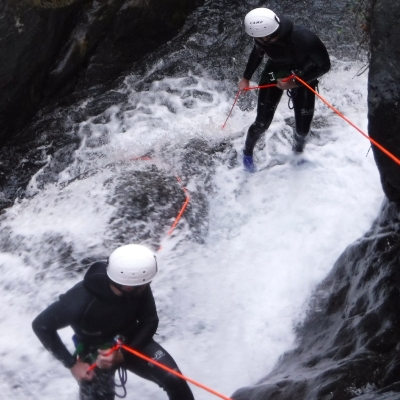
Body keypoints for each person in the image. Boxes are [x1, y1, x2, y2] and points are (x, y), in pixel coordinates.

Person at [32, 244, 195, 400]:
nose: (148, 285)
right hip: (96, 352)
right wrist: (72, 364)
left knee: (175, 380)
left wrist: (122, 354)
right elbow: (41, 325)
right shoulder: (79, 300)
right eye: (146, 284)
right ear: (129, 287)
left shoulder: (135, 283)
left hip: (132, 340)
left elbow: (149, 321)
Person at [239, 8, 331, 172]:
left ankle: (297, 153)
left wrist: (294, 83)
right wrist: (246, 78)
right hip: (276, 70)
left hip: (303, 74)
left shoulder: (306, 39)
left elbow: (324, 66)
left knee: (302, 130)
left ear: (267, 35)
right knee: (261, 123)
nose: (256, 40)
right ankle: (247, 153)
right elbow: (258, 53)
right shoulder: (263, 39)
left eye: (258, 37)